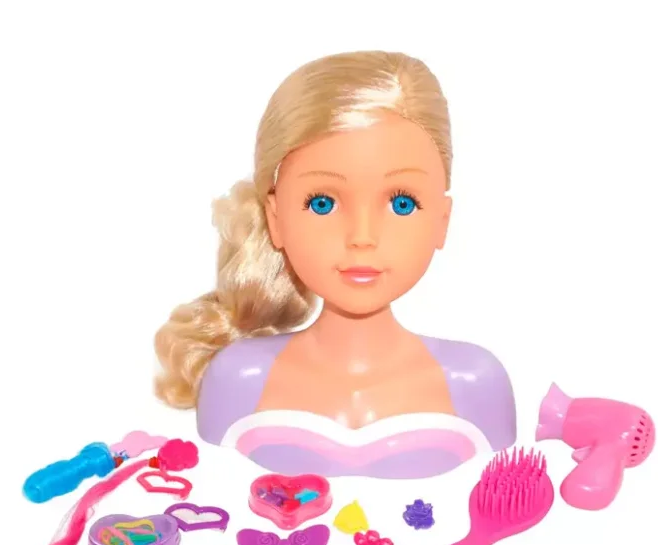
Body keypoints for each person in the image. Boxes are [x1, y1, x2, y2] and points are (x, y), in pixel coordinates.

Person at [153, 50, 516, 479]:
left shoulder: (475, 384)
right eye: (322, 203)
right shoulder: (238, 380)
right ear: (275, 218)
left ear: (442, 220)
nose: (362, 236)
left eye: (402, 203)